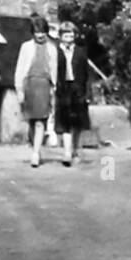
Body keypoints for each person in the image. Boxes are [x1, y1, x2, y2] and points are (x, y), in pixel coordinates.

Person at [14, 16, 58, 167]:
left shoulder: (52, 48)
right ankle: (35, 147)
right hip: (29, 85)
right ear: (33, 33)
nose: (40, 35)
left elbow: (54, 71)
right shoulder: (26, 47)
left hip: (45, 85)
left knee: (41, 121)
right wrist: (19, 89)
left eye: (43, 32)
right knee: (32, 121)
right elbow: (20, 69)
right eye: (37, 32)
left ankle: (35, 153)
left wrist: (54, 89)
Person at [53, 21, 90, 166]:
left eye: (71, 35)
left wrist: (84, 90)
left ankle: (75, 149)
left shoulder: (80, 52)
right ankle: (67, 153)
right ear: (60, 36)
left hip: (78, 88)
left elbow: (85, 73)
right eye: (66, 35)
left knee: (78, 123)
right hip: (63, 88)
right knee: (65, 122)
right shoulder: (56, 51)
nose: (69, 38)